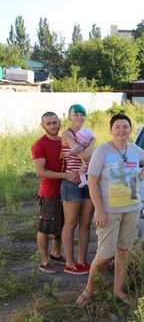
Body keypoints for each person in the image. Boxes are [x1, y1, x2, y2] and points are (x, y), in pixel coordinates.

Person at [76, 113, 144, 306]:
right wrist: (99, 211)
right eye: (117, 127)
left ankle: (118, 291)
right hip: (109, 211)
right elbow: (92, 182)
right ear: (111, 130)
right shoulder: (102, 151)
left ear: (130, 130)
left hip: (132, 209)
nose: (121, 130)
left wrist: (141, 177)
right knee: (105, 254)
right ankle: (89, 290)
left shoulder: (134, 149)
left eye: (125, 127)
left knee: (124, 251)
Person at [31, 112, 79, 273]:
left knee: (63, 224)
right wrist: (65, 175)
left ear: (59, 123)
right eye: (48, 123)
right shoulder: (39, 145)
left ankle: (56, 253)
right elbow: (41, 171)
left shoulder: (63, 141)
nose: (52, 126)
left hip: (65, 190)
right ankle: (44, 261)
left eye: (54, 122)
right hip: (49, 192)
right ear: (42, 125)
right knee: (45, 226)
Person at [60, 104, 95, 275]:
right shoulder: (66, 134)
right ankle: (69, 263)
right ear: (69, 116)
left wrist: (90, 146)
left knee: (86, 222)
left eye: (82, 114)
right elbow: (83, 155)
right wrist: (92, 143)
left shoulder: (87, 134)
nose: (79, 117)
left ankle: (82, 261)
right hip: (71, 182)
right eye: (76, 114)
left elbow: (90, 155)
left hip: (88, 181)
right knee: (71, 222)